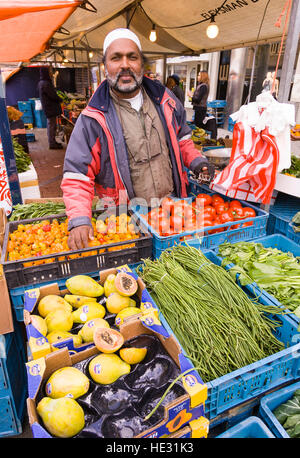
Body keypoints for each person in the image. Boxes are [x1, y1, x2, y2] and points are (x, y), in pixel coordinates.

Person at [61, 28, 214, 250]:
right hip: (128, 221)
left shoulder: (165, 100)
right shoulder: (93, 119)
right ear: (105, 67)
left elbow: (183, 139)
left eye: (132, 57)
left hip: (173, 209)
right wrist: (79, 219)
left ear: (142, 64)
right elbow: (77, 175)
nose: (125, 64)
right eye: (116, 58)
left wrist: (196, 160)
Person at [38, 66, 63, 149]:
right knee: (52, 126)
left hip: (48, 108)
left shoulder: (42, 83)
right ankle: (52, 144)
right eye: (49, 71)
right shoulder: (46, 83)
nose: (51, 73)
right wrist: (60, 99)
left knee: (51, 125)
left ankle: (53, 142)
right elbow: (52, 96)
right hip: (50, 108)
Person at [192, 70, 217, 140]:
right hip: (199, 108)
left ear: (203, 76)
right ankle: (199, 140)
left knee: (199, 126)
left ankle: (200, 140)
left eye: (199, 75)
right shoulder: (201, 85)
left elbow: (198, 99)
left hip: (200, 109)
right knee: (197, 126)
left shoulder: (203, 86)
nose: (197, 76)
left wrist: (191, 96)